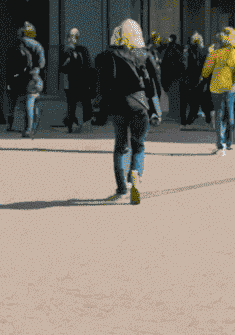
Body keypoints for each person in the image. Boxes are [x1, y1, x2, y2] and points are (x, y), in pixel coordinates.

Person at [94, 18, 163, 202]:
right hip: (139, 105)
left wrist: (100, 107)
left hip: (117, 105)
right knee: (138, 145)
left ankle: (121, 188)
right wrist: (156, 109)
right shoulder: (143, 54)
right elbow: (154, 85)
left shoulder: (108, 56)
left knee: (121, 146)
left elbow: (101, 85)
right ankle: (135, 182)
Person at [201, 27, 235, 154]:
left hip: (216, 87)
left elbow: (206, 72)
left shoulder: (214, 53)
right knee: (230, 112)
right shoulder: (234, 52)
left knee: (218, 113)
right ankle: (229, 141)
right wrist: (233, 79)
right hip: (230, 87)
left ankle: (220, 141)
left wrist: (210, 55)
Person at [7, 24, 46, 136]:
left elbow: (10, 63)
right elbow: (42, 64)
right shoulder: (37, 45)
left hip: (18, 77)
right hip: (33, 77)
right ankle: (30, 128)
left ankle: (10, 125)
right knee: (31, 101)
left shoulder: (16, 44)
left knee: (13, 100)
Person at [59, 28, 95, 132]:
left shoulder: (83, 50)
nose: (71, 39)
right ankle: (71, 123)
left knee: (86, 102)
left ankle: (86, 123)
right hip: (71, 81)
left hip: (83, 80)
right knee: (71, 104)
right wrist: (67, 57)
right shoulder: (65, 51)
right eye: (70, 37)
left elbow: (88, 65)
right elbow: (61, 68)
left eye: (74, 37)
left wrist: (90, 82)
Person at [181, 33, 208, 126]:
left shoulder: (187, 50)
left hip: (188, 78)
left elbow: (184, 65)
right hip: (200, 78)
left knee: (188, 101)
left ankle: (186, 120)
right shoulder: (204, 51)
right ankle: (193, 118)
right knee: (199, 100)